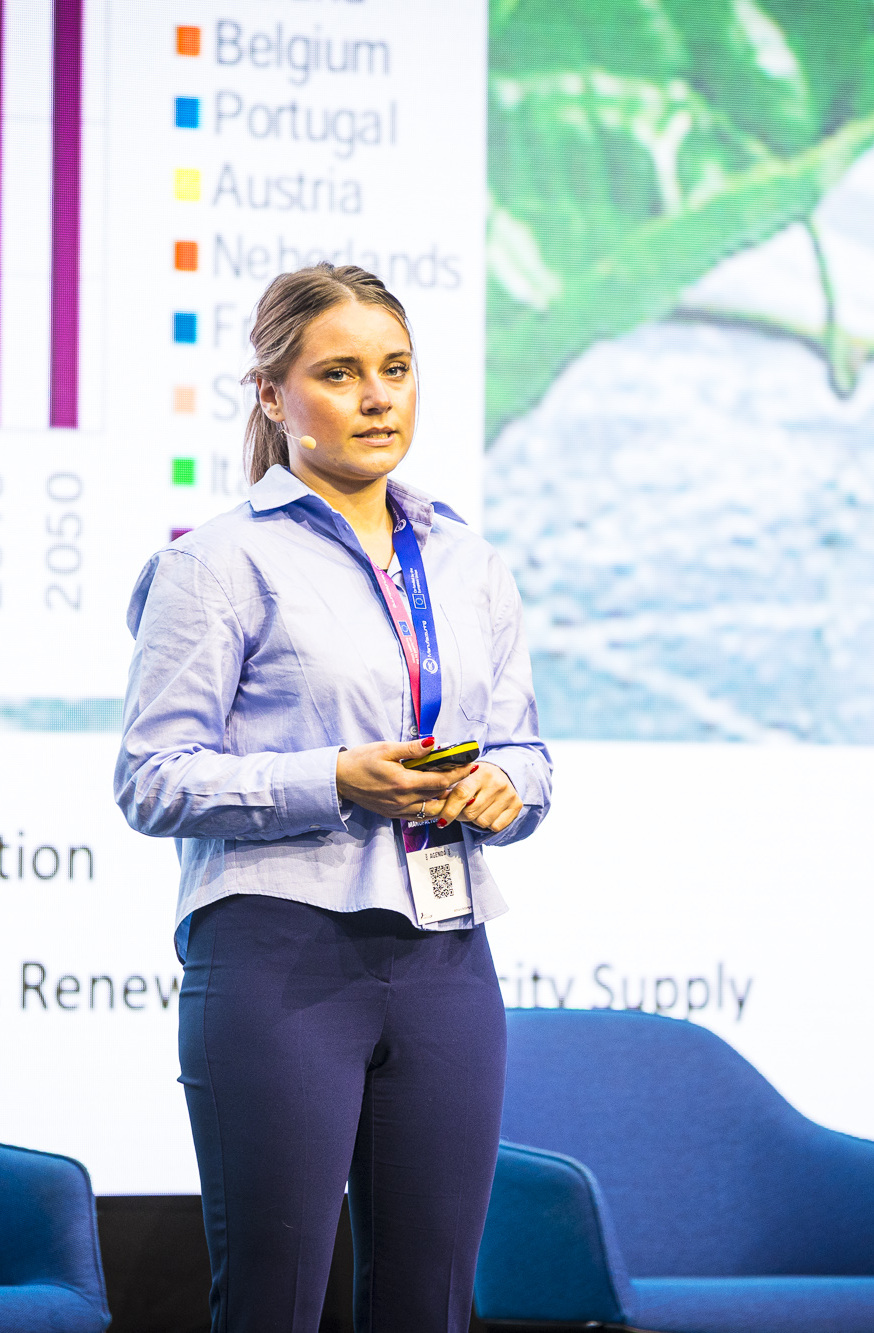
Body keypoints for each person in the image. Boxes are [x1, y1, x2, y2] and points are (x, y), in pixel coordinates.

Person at [115, 263, 551, 1333]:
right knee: (275, 1300)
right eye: (341, 373)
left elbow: (527, 751)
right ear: (273, 395)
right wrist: (334, 779)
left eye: (395, 370)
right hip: (278, 953)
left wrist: (506, 787)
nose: (377, 397)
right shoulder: (216, 563)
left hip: (447, 956)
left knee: (431, 1302)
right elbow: (152, 778)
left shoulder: (468, 562)